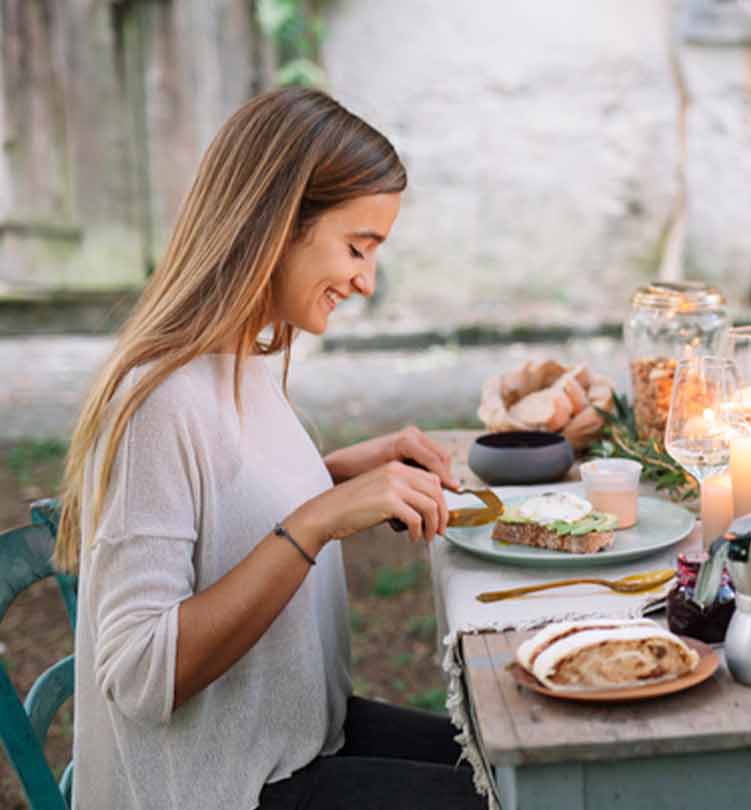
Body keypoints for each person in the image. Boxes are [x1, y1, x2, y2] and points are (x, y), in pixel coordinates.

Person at [55, 87, 484, 810]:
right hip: (221, 788)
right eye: (356, 247)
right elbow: (140, 674)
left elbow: (220, 507)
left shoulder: (240, 361)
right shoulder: (157, 401)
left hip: (293, 743)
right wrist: (318, 519)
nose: (365, 280)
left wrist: (338, 477)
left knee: (519, 764)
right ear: (278, 224)